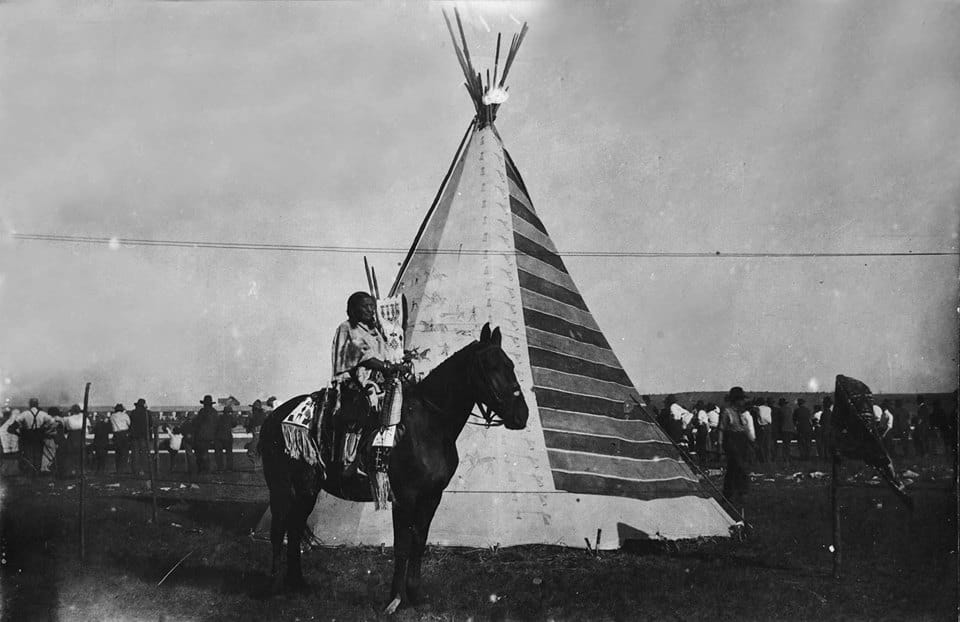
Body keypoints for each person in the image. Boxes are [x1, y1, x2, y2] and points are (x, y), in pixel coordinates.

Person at [331, 292, 391, 473]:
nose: (370, 310)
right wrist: (386, 366)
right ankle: (351, 460)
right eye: (365, 306)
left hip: (377, 382)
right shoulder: (347, 328)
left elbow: (385, 354)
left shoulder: (375, 332)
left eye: (372, 306)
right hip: (354, 382)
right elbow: (362, 354)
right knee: (361, 412)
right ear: (354, 309)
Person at [718, 387, 755, 506]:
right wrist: (720, 446)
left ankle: (735, 494)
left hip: (742, 441)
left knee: (737, 468)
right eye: (741, 399)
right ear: (736, 400)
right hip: (732, 441)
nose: (743, 402)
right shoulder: (727, 412)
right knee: (738, 467)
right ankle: (734, 494)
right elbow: (721, 429)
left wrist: (751, 441)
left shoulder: (741, 413)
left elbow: (745, 429)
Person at [9, 398, 56, 475]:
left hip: (27, 438)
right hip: (39, 437)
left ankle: (30, 473)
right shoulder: (43, 414)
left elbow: (11, 428)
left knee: (28, 455)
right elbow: (53, 423)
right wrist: (46, 431)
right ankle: (37, 473)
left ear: (29, 405)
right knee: (38, 455)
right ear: (37, 404)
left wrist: (19, 434)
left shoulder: (24, 414)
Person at [129, 398, 153, 476]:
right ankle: (143, 470)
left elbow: (130, 423)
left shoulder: (133, 412)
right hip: (144, 436)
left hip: (134, 436)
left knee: (135, 453)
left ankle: (135, 470)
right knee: (143, 453)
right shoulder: (147, 413)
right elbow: (151, 424)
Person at [194, 395, 218, 474]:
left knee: (201, 452)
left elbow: (197, 423)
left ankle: (203, 468)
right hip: (212, 435)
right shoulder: (214, 412)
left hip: (202, 435)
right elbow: (217, 424)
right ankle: (206, 468)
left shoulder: (202, 411)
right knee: (205, 452)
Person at [214, 403, 236, 472]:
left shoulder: (219, 417)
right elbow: (234, 424)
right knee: (229, 453)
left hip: (219, 437)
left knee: (219, 454)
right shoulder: (231, 418)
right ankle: (229, 468)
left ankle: (220, 468)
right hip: (228, 437)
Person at [109, 403, 131, 473]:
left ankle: (118, 469)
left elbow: (110, 425)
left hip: (116, 435)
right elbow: (129, 424)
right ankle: (124, 468)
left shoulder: (112, 416)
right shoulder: (125, 415)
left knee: (118, 452)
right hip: (124, 434)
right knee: (125, 452)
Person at [776, 397, 795, 463]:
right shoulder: (790, 409)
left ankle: (786, 458)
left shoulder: (780, 410)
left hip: (784, 429)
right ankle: (788, 456)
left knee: (785, 444)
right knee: (788, 444)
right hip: (791, 429)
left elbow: (779, 420)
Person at [754, 398, 773, 463]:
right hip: (768, 426)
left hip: (762, 426)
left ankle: (762, 459)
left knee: (761, 444)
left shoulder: (758, 408)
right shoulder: (768, 408)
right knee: (768, 444)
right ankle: (768, 459)